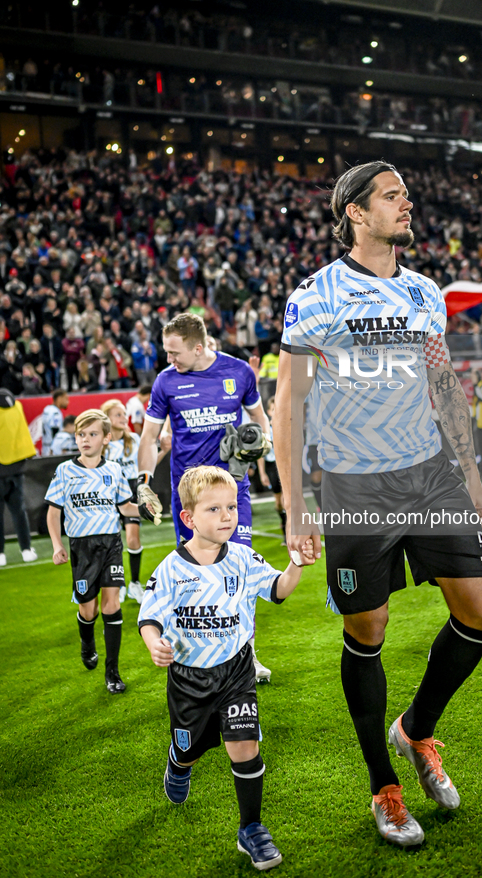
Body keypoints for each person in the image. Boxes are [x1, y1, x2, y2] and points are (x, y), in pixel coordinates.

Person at [274, 160, 482, 848]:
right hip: (353, 485)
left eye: (405, 193)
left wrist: (466, 466)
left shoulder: (424, 291)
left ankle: (415, 728)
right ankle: (384, 783)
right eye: (391, 195)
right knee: (366, 627)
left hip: (428, 474)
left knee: (480, 610)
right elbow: (290, 404)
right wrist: (293, 505)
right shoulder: (314, 295)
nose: (406, 203)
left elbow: (441, 381)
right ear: (354, 211)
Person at [138, 465, 313, 871]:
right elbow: (149, 617)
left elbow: (278, 590)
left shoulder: (243, 558)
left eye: (231, 507)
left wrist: (296, 565)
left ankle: (250, 828)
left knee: (245, 747)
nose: (227, 516)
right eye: (214, 509)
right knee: (189, 751)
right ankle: (178, 763)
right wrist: (154, 643)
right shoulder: (171, 568)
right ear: (188, 518)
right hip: (188, 680)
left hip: (236, 672)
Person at [137, 313, 274, 682]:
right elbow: (149, 439)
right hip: (191, 496)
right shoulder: (166, 383)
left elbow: (260, 420)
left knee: (240, 572)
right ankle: (198, 653)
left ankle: (247, 655)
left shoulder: (239, 372)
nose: (169, 359)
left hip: (232, 490)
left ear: (199, 347)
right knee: (196, 574)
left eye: (174, 352)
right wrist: (143, 479)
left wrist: (262, 443)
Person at [45, 409, 140, 694]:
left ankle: (112, 672)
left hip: (111, 543)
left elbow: (125, 508)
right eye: (81, 435)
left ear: (106, 438)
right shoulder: (64, 471)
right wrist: (57, 545)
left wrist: (145, 509)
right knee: (89, 609)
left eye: (92, 434)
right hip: (82, 548)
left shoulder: (114, 470)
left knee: (112, 604)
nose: (85, 440)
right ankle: (87, 642)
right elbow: (53, 513)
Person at [102, 399, 145, 605]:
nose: (123, 417)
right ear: (107, 419)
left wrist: (163, 450)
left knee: (133, 540)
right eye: (118, 414)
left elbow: (146, 463)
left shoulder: (134, 439)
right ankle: (118, 585)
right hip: (109, 494)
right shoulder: (103, 445)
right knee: (112, 543)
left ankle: (135, 584)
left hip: (131, 492)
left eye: (123, 413)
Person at [0, 388, 37, 567]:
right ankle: (26, 550)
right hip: (16, 468)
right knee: (19, 512)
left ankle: (0, 554)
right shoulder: (18, 406)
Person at [257, 396, 286, 544]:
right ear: (268, 411)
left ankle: (288, 533)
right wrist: (262, 473)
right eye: (273, 409)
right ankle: (283, 524)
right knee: (279, 502)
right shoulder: (265, 430)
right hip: (271, 465)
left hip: (286, 465)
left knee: (286, 499)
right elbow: (261, 454)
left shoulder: (287, 427)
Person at [41, 388, 69, 456]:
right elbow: (55, 431)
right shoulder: (55, 413)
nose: (68, 402)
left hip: (45, 447)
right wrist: (54, 448)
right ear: (59, 399)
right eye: (66, 399)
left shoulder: (47, 409)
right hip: (52, 449)